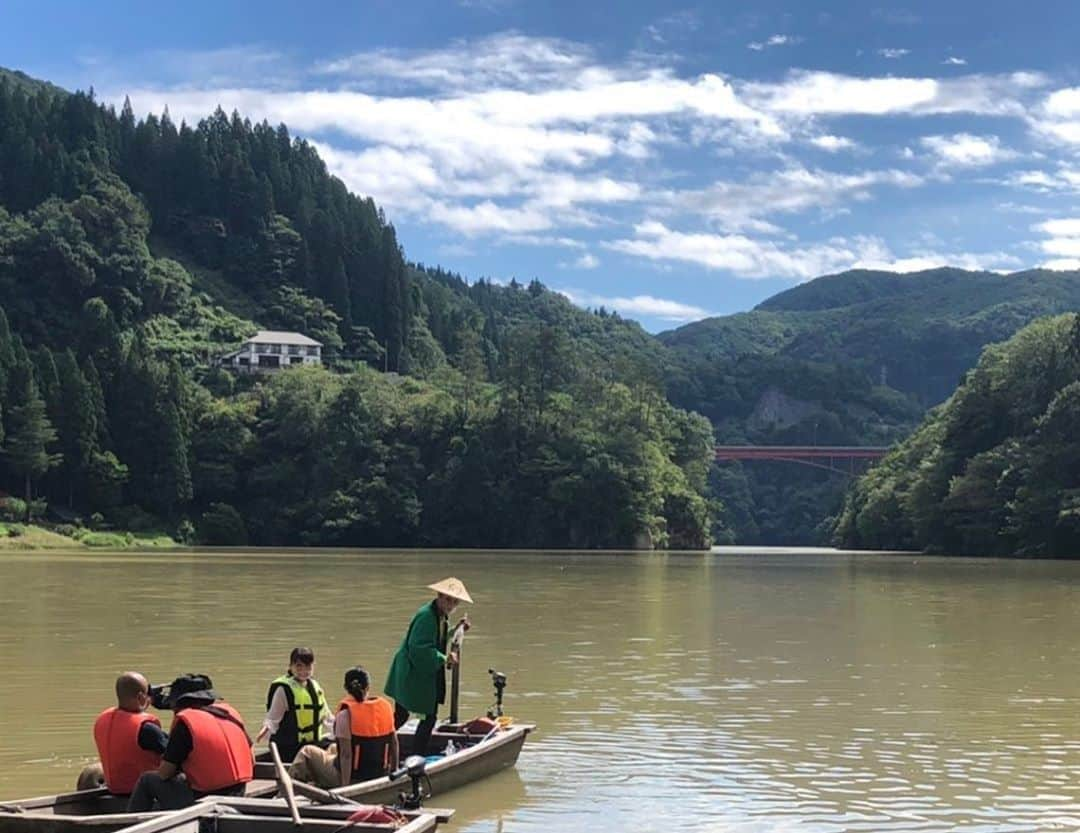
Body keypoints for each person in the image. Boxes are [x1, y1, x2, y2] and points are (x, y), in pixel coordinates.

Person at [127, 674, 254, 811]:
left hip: (203, 802)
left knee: (148, 779)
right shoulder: (230, 715)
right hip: (238, 793)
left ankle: (130, 825)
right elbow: (251, 759)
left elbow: (165, 773)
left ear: (179, 702)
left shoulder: (185, 725)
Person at [384, 577, 473, 757]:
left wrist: (456, 629)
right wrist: (444, 658)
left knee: (405, 715)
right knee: (425, 717)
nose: (451, 605)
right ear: (439, 596)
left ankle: (381, 746)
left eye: (455, 601)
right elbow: (419, 648)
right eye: (448, 599)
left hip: (416, 672)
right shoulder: (427, 616)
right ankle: (414, 756)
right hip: (412, 672)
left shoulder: (440, 616)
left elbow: (436, 640)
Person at [290, 666, 398, 788]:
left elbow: (346, 755)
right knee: (332, 747)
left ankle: (285, 792)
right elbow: (394, 744)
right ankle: (316, 783)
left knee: (307, 752)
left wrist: (346, 788)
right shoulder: (385, 708)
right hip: (379, 775)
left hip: (352, 779)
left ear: (346, 688)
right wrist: (394, 773)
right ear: (368, 687)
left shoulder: (345, 715)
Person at [83, 672, 168, 795]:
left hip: (115, 789)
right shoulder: (146, 728)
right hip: (143, 793)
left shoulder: (102, 720)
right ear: (140, 697)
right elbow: (174, 754)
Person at [254, 647, 332, 761]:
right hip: (289, 748)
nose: (303, 671)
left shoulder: (315, 687)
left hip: (312, 745)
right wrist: (265, 729)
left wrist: (340, 729)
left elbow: (326, 715)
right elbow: (273, 718)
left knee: (335, 743)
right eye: (299, 666)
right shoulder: (284, 689)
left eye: (308, 667)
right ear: (290, 666)